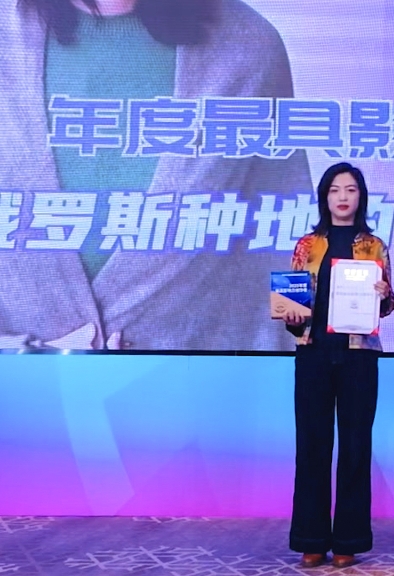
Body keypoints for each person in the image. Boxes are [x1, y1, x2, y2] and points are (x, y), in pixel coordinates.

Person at [0, 0, 311, 351]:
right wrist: (24, 357)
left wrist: (301, 360)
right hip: (16, 384)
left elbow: (287, 240)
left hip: (197, 377)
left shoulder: (247, 45)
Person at [281, 162, 394, 569]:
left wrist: (384, 293)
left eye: (350, 189)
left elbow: (388, 304)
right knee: (312, 446)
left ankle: (348, 539)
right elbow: (293, 304)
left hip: (359, 356)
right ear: (324, 197)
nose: (343, 197)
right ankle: (311, 538)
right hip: (313, 353)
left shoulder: (374, 246)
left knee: (355, 447)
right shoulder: (307, 245)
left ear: (360, 197)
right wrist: (291, 314)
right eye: (335, 190)